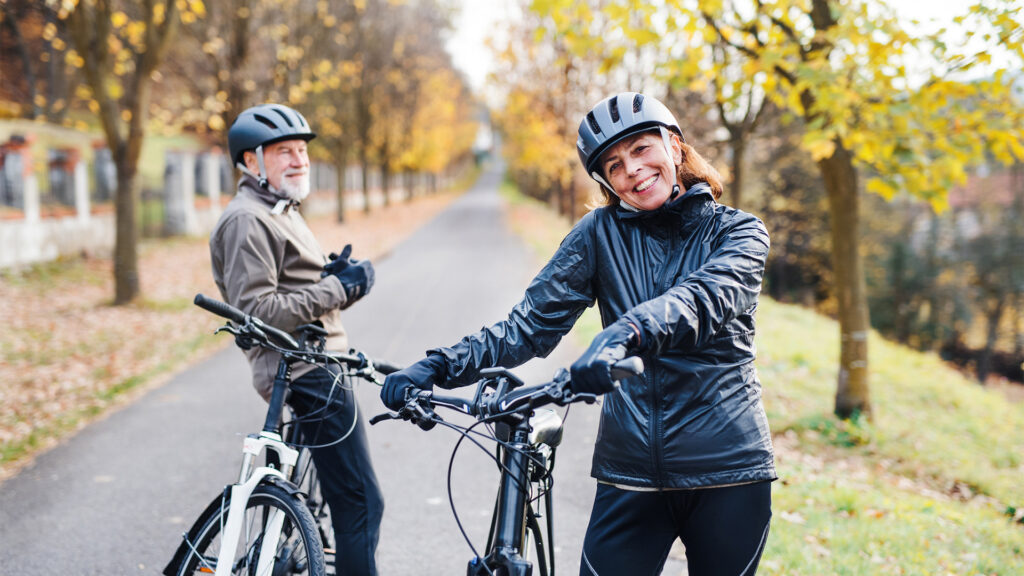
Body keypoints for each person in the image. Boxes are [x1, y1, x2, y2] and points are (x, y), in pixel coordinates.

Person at [381, 92, 774, 575]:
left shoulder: (738, 232)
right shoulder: (598, 234)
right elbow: (528, 326)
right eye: (613, 164)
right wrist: (440, 365)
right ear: (606, 181)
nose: (631, 169)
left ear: (675, 146)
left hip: (727, 470)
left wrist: (622, 335)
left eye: (640, 149)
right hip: (629, 472)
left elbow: (703, 300)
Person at [209, 103, 383, 576]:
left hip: (314, 363)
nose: (298, 159)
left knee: (325, 499)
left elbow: (288, 286)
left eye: (302, 150)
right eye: (283, 151)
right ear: (251, 162)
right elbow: (259, 312)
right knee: (361, 505)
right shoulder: (248, 219)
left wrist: (329, 275)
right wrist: (338, 288)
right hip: (305, 372)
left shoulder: (278, 210)